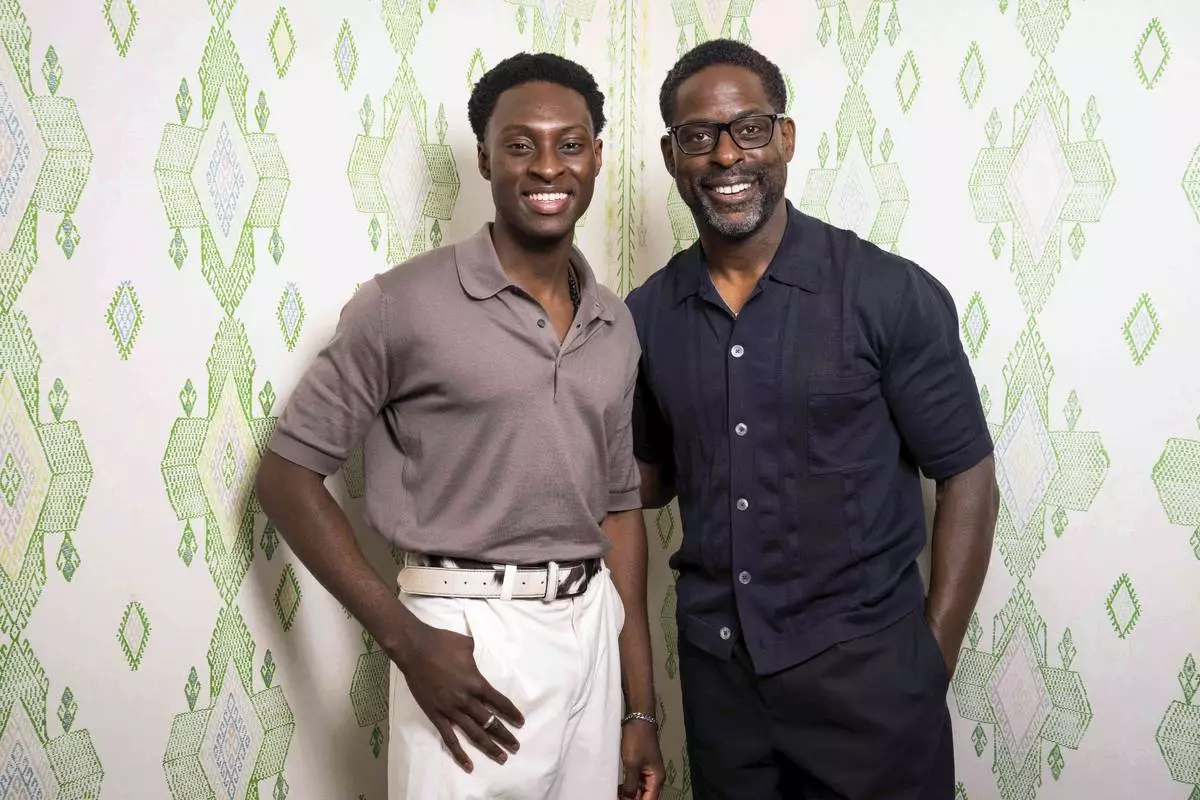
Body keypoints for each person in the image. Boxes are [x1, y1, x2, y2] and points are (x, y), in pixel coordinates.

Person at [256, 52, 664, 800]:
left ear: (597, 156)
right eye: (520, 144)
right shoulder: (401, 303)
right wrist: (407, 640)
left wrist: (639, 705)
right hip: (468, 636)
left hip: (591, 629)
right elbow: (286, 476)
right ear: (484, 157)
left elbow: (619, 511)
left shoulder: (615, 322)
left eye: (571, 144)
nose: (548, 166)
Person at [626, 39, 999, 799]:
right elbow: (649, 482)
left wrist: (930, 663)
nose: (726, 155)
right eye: (698, 137)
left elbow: (967, 473)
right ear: (671, 156)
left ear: (785, 138)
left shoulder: (887, 293)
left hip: (873, 691)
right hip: (723, 694)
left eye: (749, 129)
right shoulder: (647, 315)